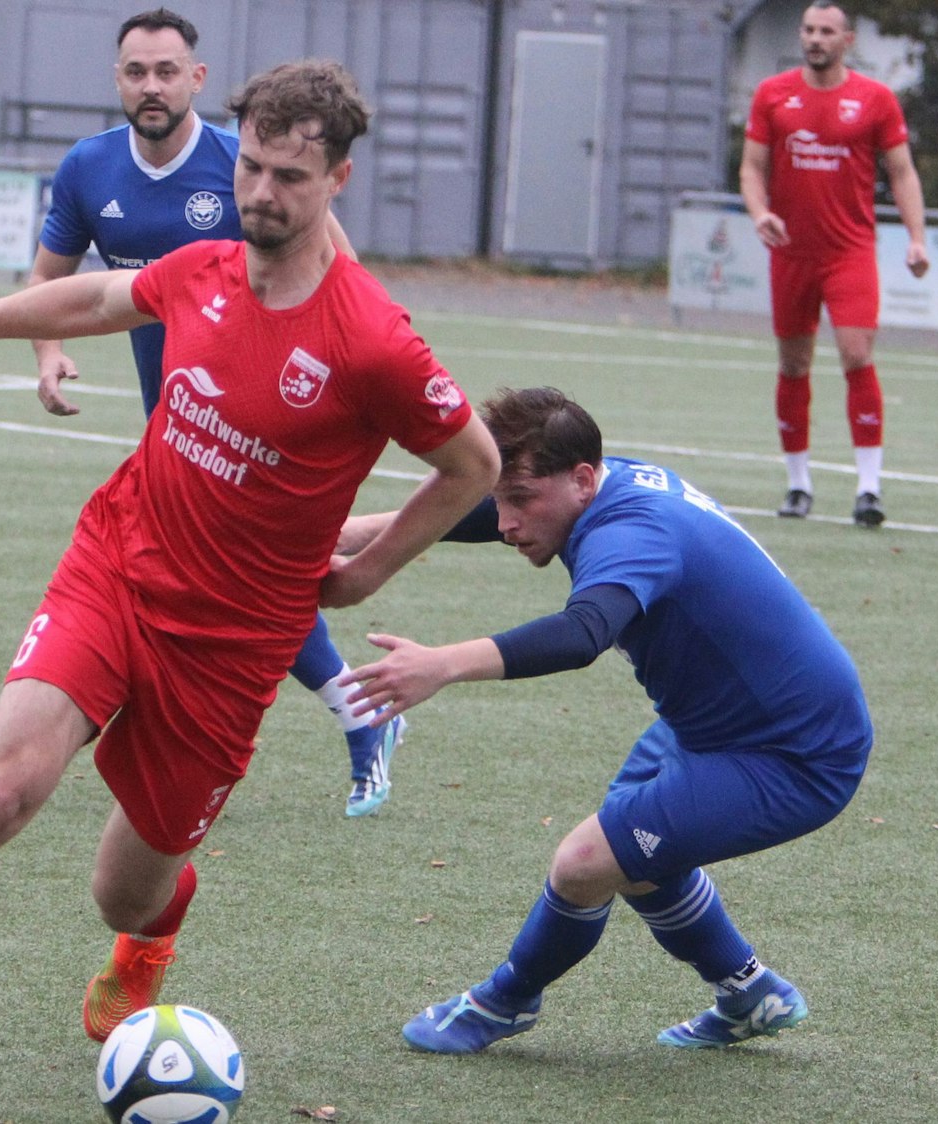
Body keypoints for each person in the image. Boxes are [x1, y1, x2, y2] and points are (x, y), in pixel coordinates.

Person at [0, 59, 501, 1111]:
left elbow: (476, 464)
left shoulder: (371, 338)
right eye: (254, 169)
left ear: (339, 178)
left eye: (290, 175)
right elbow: (101, 293)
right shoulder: (202, 268)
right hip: (118, 564)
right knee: (2, 786)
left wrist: (368, 571)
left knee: (125, 887)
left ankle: (148, 941)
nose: (263, 194)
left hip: (234, 645)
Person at [330, 386, 872, 1055]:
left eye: (521, 500)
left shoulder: (629, 531)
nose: (505, 522)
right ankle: (750, 992)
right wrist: (353, 534)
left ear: (581, 479)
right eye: (503, 497)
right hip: (710, 724)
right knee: (635, 855)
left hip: (791, 752)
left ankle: (503, 1002)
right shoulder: (601, 480)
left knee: (586, 863)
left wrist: (441, 663)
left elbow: (583, 633)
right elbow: (482, 508)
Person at [28, 8, 402, 818]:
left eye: (167, 71)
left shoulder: (254, 165)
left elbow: (343, 272)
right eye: (136, 71)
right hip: (175, 413)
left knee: (243, 575)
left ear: (195, 80)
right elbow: (56, 279)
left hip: (267, 413)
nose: (151, 85)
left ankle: (358, 711)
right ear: (117, 79)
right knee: (213, 577)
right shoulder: (89, 168)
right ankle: (356, 711)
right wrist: (47, 350)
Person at [738, 0, 930, 528]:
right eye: (808, 29)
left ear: (847, 40)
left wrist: (917, 238)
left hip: (850, 252)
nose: (815, 38)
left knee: (854, 353)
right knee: (794, 364)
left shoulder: (875, 99)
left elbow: (903, 172)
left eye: (826, 31)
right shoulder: (773, 94)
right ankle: (798, 484)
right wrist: (760, 214)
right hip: (792, 254)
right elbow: (752, 168)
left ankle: (869, 488)